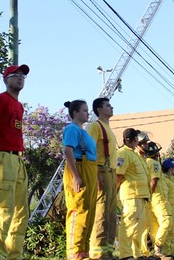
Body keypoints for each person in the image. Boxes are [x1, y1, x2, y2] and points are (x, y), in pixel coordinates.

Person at [0, 64, 30, 260]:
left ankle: (14, 254)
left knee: (21, 212)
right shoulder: (0, 100)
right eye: (15, 75)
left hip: (18, 158)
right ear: (6, 79)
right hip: (2, 156)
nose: (20, 78)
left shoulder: (19, 105)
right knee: (3, 209)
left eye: (23, 76)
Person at [62, 100, 98, 260]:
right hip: (79, 168)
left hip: (90, 170)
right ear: (75, 112)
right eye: (84, 110)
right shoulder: (72, 129)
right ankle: (74, 253)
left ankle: (84, 252)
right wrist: (76, 176)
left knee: (89, 213)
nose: (87, 113)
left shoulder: (84, 132)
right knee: (79, 210)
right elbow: (67, 151)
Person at [87, 98, 118, 260]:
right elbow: (88, 148)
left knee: (111, 214)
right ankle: (97, 251)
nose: (111, 107)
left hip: (111, 172)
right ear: (99, 109)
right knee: (101, 211)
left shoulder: (109, 129)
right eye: (107, 105)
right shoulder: (95, 126)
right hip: (102, 170)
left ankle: (108, 250)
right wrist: (96, 172)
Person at [115, 128, 150, 260]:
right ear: (134, 139)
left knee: (138, 227)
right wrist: (114, 193)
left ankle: (136, 253)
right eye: (137, 138)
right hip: (130, 195)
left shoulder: (134, 154)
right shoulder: (123, 153)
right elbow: (118, 175)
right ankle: (125, 254)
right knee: (128, 224)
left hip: (140, 195)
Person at [143, 142, 173, 260]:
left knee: (154, 225)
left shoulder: (145, 162)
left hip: (150, 198)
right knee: (166, 221)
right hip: (157, 197)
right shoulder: (155, 163)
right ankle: (158, 247)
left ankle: (157, 252)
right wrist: (151, 195)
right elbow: (154, 180)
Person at [161, 157, 174, 260]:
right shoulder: (164, 179)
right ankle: (167, 252)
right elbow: (165, 194)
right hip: (170, 208)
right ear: (170, 168)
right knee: (169, 231)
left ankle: (173, 252)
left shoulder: (172, 180)